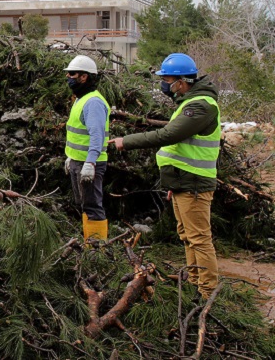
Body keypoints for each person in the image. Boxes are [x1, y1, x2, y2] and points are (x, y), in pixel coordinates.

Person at [109, 53, 221, 300]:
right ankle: (194, 282)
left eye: (167, 79)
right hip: (183, 181)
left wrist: (125, 142)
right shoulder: (190, 102)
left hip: (194, 182)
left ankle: (207, 292)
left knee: (199, 238)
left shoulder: (200, 105)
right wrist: (173, 182)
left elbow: (168, 136)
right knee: (187, 235)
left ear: (182, 81)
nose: (164, 84)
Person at [63, 55, 111, 241]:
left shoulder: (93, 102)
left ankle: (97, 248)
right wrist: (71, 157)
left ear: (84, 77)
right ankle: (88, 244)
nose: (68, 77)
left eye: (72, 74)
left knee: (92, 205)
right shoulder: (80, 99)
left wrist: (90, 162)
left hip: (90, 164)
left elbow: (97, 136)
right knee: (82, 204)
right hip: (78, 161)